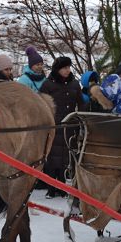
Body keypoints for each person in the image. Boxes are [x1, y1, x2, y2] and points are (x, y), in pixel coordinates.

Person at [39, 56, 85, 198]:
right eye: (64, 68)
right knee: (52, 157)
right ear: (57, 69)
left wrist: (80, 120)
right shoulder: (48, 84)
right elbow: (40, 104)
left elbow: (81, 103)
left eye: (69, 67)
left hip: (69, 125)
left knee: (66, 157)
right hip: (53, 125)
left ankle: (63, 185)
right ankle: (51, 187)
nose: (67, 70)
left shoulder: (74, 84)